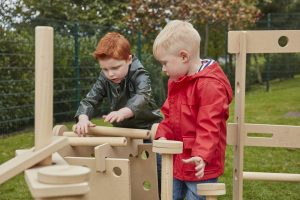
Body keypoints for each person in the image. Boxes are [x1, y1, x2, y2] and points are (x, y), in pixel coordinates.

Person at [153, 20, 233, 200]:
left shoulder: (210, 86)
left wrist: (201, 156)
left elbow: (210, 126)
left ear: (183, 57)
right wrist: (163, 134)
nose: (163, 69)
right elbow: (169, 115)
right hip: (176, 159)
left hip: (200, 165)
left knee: (195, 197)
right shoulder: (177, 80)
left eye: (165, 63)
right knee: (169, 195)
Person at [74, 32, 162, 135]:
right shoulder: (104, 78)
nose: (110, 74)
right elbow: (90, 100)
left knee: (157, 148)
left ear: (129, 60)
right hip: (122, 129)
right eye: (105, 69)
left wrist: (124, 112)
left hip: (149, 126)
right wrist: (83, 118)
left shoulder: (139, 74)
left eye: (115, 68)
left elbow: (143, 95)